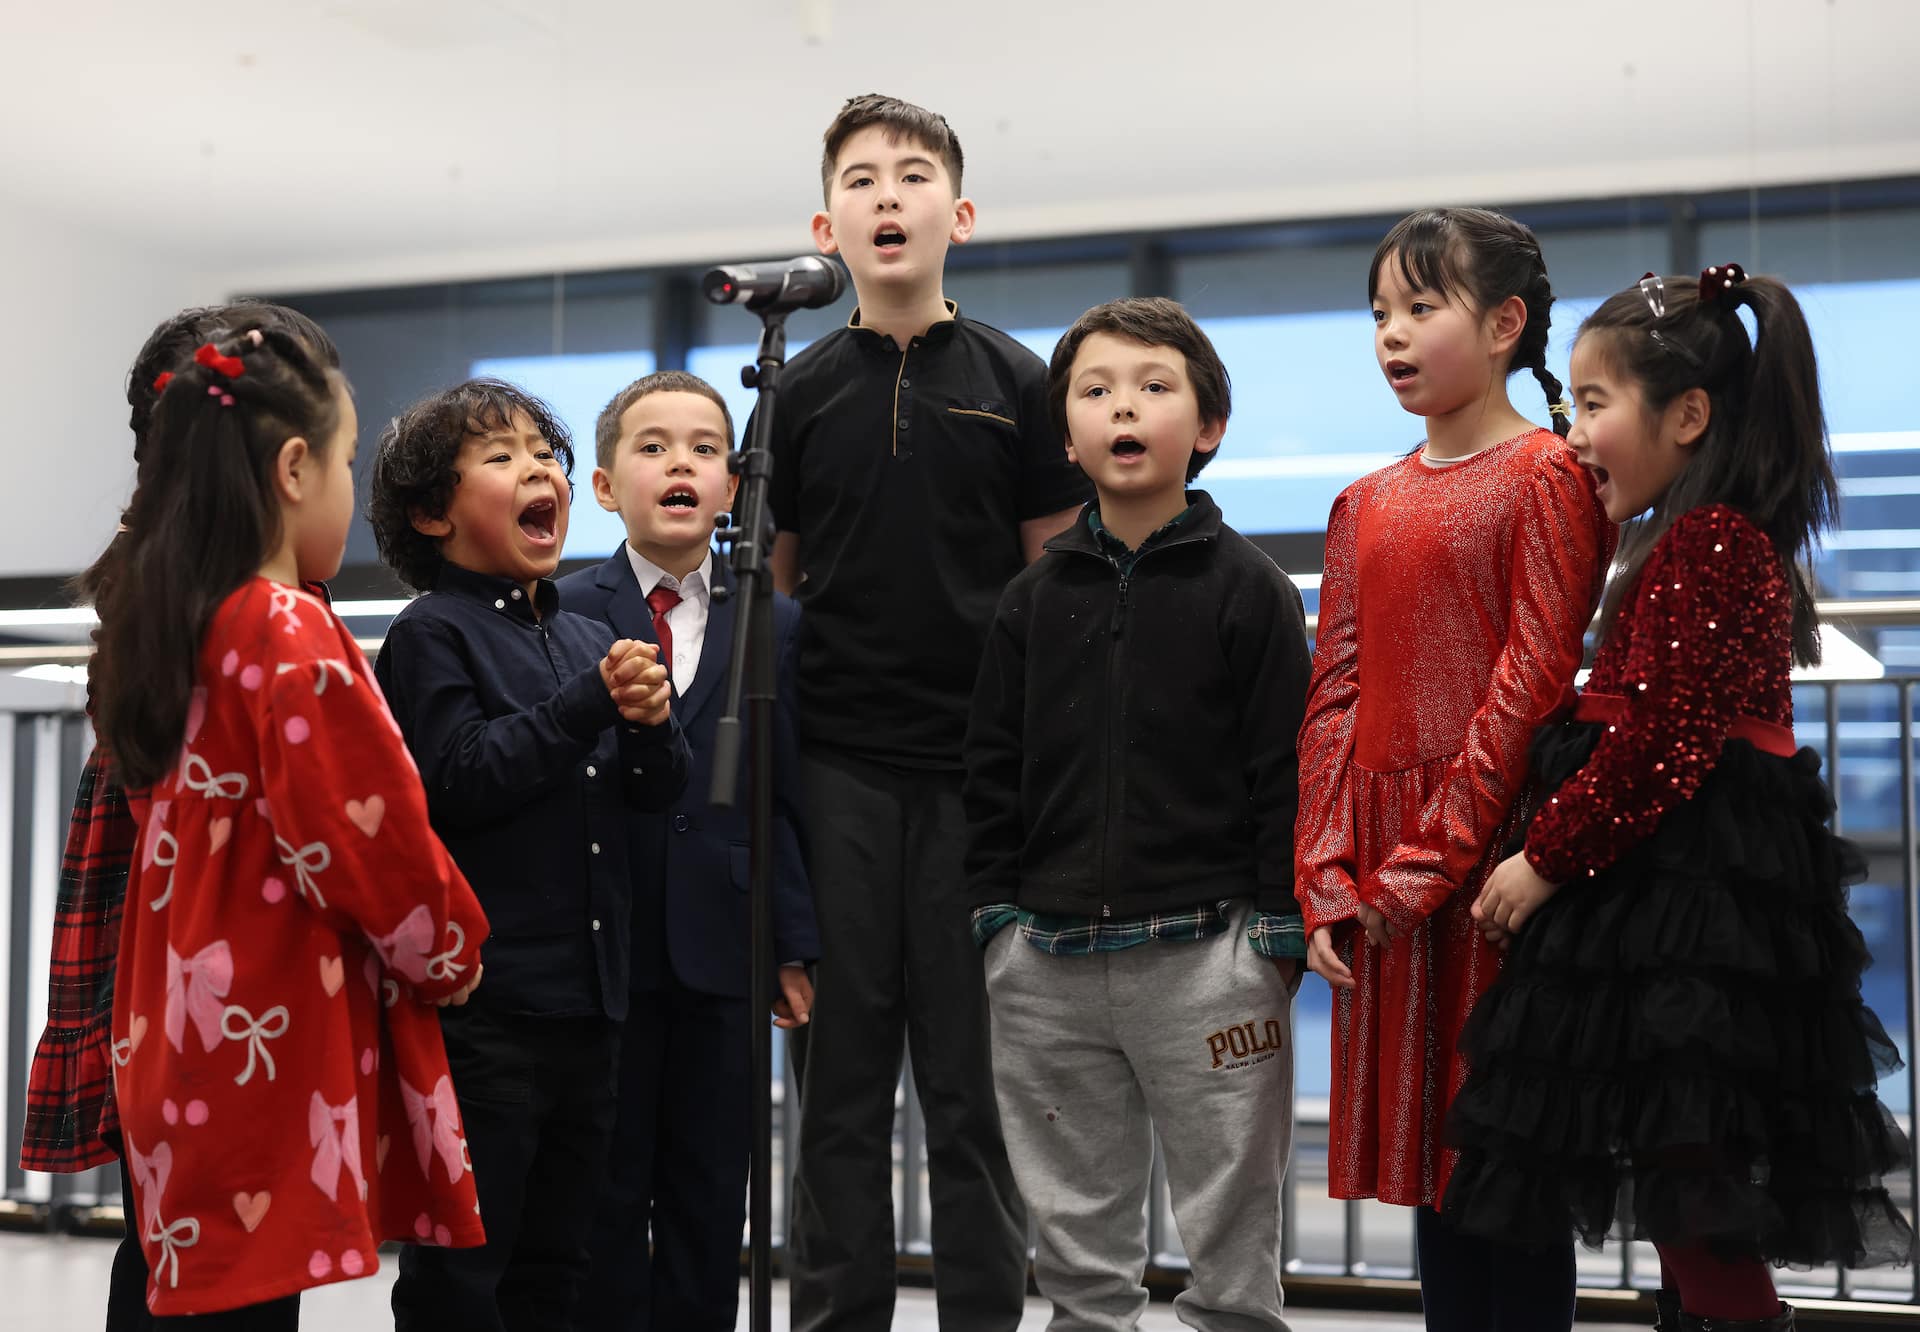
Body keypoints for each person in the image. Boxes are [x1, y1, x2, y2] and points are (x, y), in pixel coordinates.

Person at [1447, 264, 1914, 1331]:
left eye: (1596, 404)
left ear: (1689, 415)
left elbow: (1665, 741)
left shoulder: (1709, 541)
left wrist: (1544, 856)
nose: (1573, 436)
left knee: (1691, 1174)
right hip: (1682, 899)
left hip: (1681, 906)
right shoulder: (1706, 538)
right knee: (1682, 1175)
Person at [764, 93, 1088, 1330]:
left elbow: (1053, 593)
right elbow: (780, 594)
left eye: (911, 178)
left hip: (978, 782)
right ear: (826, 222)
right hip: (837, 772)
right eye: (860, 180)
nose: (885, 196)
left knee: (976, 1093)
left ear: (959, 215)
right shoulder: (790, 396)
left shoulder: (1022, 380)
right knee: (836, 1088)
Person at [91, 325, 492, 1323]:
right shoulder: (288, 629)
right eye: (349, 462)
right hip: (261, 1032)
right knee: (251, 1306)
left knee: (188, 1288)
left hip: (171, 1025)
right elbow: (365, 834)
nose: (351, 491)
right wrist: (450, 948)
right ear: (294, 467)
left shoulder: (176, 618)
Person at [1293, 207, 1614, 1331]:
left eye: (1421, 308)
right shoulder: (1363, 501)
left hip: (1490, 877)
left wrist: (1426, 862)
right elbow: (1333, 690)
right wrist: (1326, 868)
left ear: (1506, 323)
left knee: (1502, 1167)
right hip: (1385, 875)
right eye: (1380, 312)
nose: (1391, 334)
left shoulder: (1545, 476)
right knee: (1431, 1185)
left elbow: (1529, 684)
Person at [966, 297, 1309, 1331]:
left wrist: (1276, 930)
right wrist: (995, 923)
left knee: (1233, 1234)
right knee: (1073, 1238)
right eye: (1097, 390)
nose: (1126, 406)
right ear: (1066, 437)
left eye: (1156, 387)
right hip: (1046, 964)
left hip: (1211, 957)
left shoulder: (1249, 588)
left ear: (1205, 427)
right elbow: (990, 769)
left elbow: (1286, 766)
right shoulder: (1031, 599)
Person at [21, 302, 340, 1332]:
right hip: (190, 942)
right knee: (190, 1250)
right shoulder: (200, 577)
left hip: (215, 952)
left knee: (206, 1243)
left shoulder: (248, 569)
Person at [369, 378, 691, 1331]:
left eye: (542, 454)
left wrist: (648, 727)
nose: (537, 470)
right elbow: (458, 777)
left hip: (591, 1001)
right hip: (488, 1005)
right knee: (466, 1265)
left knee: (562, 1260)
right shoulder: (431, 631)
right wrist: (591, 704)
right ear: (433, 513)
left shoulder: (590, 630)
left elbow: (652, 794)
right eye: (501, 458)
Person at [561, 370, 820, 1330]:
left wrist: (791, 939)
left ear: (734, 487)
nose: (682, 463)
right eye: (654, 445)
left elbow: (781, 790)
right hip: (608, 941)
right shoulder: (564, 608)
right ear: (603, 485)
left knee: (715, 1193)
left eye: (706, 449)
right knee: (608, 1186)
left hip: (727, 942)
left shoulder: (775, 616)